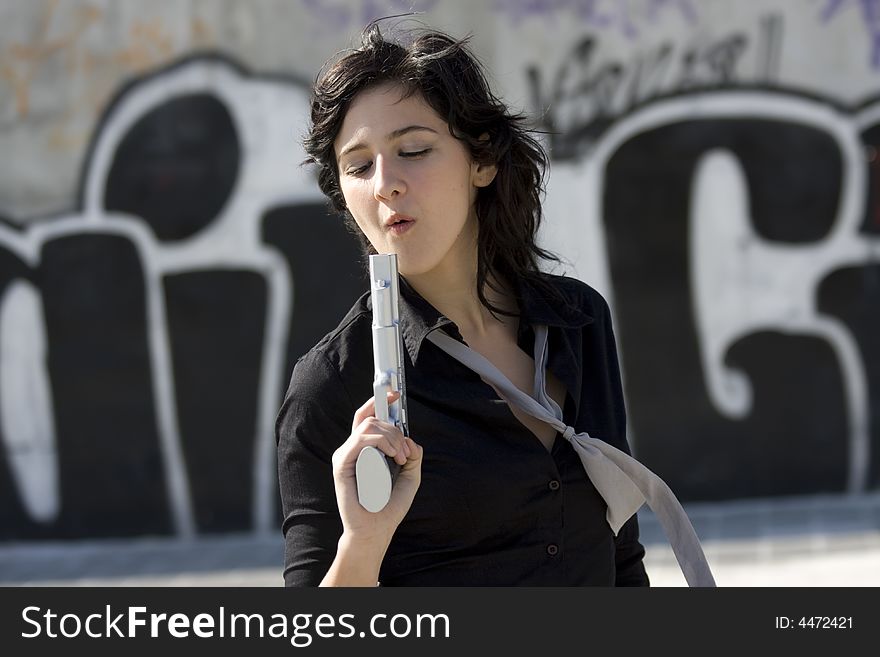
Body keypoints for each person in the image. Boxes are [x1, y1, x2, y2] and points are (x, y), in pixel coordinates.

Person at [276, 22, 697, 587]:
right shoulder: (333, 384)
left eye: (414, 150)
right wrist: (363, 542)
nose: (385, 183)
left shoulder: (577, 322)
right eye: (358, 166)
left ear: (482, 161)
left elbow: (619, 557)